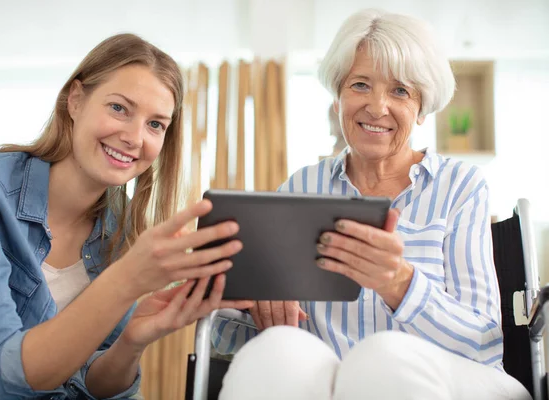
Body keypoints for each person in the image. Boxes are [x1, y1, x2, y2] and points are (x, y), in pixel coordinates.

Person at [212, 9, 531, 400]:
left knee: (383, 358)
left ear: (422, 107)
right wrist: (248, 298)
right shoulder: (302, 186)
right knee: (271, 355)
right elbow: (230, 337)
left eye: (400, 91)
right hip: (332, 380)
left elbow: (482, 342)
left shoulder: (460, 187)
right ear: (338, 96)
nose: (377, 107)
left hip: (448, 378)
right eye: (360, 84)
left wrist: (397, 282)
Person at [0, 33, 252, 399]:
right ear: (75, 100)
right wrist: (124, 282)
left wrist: (131, 342)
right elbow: (2, 378)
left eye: (155, 124)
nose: (134, 137)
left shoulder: (122, 232)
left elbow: (89, 386)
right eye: (119, 108)